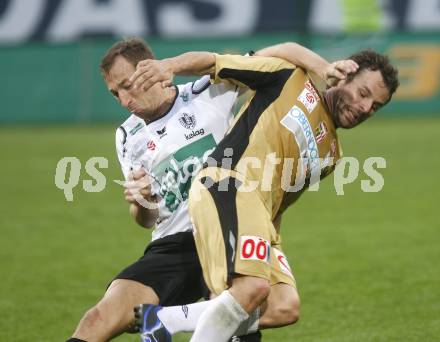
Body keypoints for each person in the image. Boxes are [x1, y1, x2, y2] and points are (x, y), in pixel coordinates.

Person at [65, 38, 357, 342]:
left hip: (227, 232)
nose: (124, 100)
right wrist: (142, 201)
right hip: (173, 245)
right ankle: (170, 319)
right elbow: (147, 219)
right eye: (115, 94)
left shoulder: (212, 91)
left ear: (148, 69)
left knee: (277, 309)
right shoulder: (127, 135)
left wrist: (324, 69)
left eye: (128, 85)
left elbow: (281, 51)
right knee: (100, 317)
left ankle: (171, 320)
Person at [133, 47, 399, 342]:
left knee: (284, 306)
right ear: (343, 76)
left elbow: (281, 202)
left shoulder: (333, 155)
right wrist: (169, 65)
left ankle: (162, 319)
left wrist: (270, 243)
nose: (364, 108)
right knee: (251, 291)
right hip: (228, 183)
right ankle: (176, 321)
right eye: (363, 93)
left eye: (375, 106)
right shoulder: (289, 76)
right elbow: (214, 62)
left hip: (259, 214)